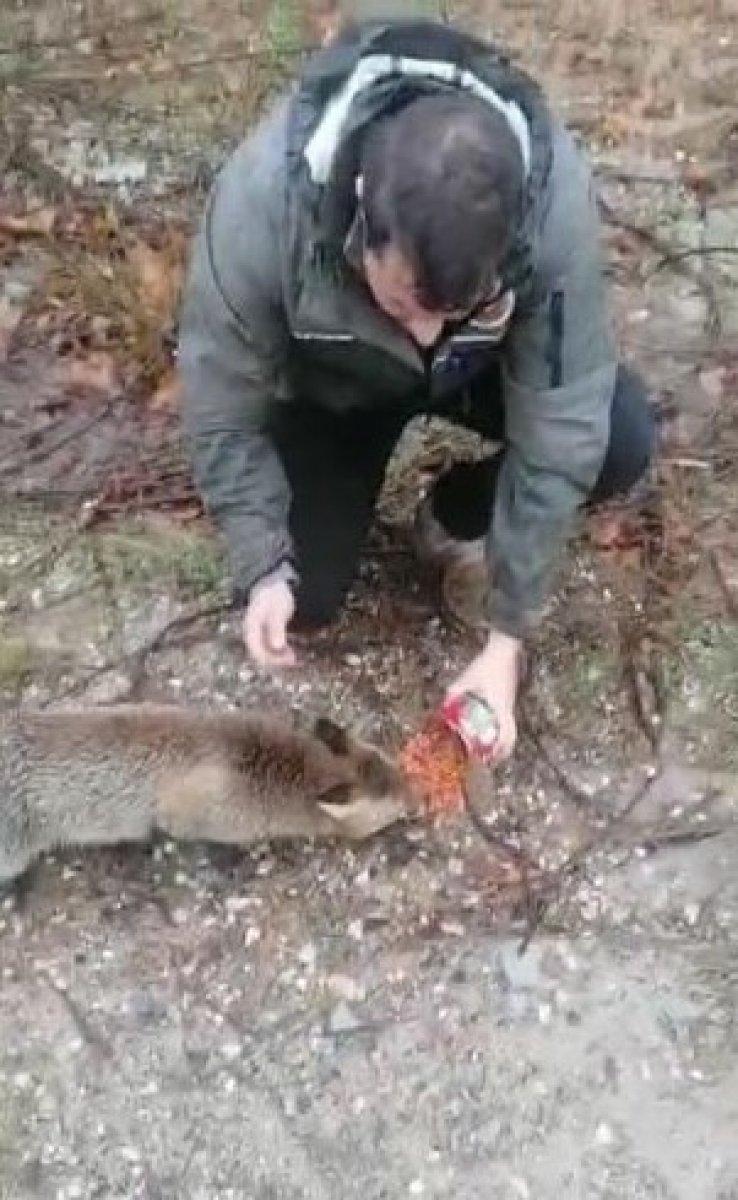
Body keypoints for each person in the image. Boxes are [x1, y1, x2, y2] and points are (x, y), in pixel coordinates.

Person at [178, 18, 654, 761]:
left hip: (477, 373)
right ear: (363, 207)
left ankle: (454, 514)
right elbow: (221, 406)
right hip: (336, 389)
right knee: (302, 598)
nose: (426, 331)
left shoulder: (549, 207)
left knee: (618, 439)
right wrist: (262, 560)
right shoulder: (265, 203)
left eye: (452, 308)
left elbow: (563, 423)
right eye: (404, 301)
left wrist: (505, 640)